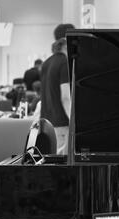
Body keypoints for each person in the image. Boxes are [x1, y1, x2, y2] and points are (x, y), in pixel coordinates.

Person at [40, 23, 75, 155]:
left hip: (47, 124)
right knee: (62, 165)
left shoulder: (47, 63)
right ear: (67, 41)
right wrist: (74, 122)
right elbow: (65, 97)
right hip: (62, 124)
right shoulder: (64, 62)